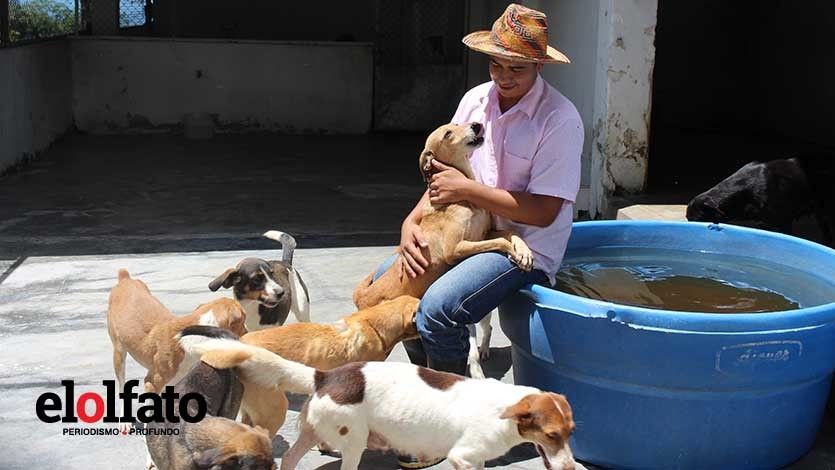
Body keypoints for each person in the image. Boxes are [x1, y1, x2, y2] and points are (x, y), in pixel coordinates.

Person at [381, 5, 584, 466]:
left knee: (437, 310)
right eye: (496, 65)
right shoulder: (476, 99)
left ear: (539, 65)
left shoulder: (560, 119)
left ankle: (450, 429)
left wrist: (468, 190)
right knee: (392, 290)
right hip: (463, 228)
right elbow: (444, 173)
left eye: (517, 69)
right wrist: (410, 224)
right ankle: (431, 401)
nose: (504, 77)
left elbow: (545, 211)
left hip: (523, 245)